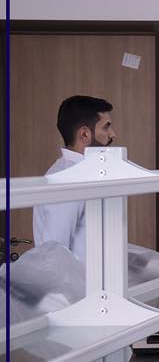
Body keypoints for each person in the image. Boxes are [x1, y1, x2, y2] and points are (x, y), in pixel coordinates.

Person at [34, 95, 117, 260]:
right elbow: (55, 252)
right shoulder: (67, 179)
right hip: (78, 277)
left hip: (97, 275)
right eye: (106, 127)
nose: (113, 135)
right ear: (84, 134)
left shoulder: (84, 173)